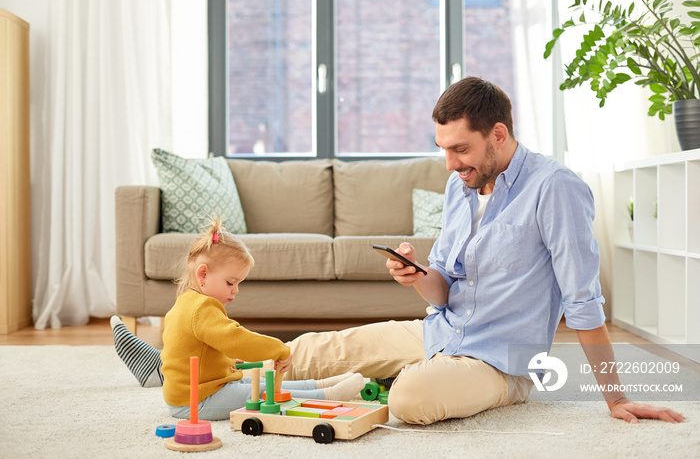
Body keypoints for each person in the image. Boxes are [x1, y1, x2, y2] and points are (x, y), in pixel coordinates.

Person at [114, 77, 684, 426]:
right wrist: (417, 277)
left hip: (499, 362)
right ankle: (181, 373)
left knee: (411, 400)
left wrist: (615, 400)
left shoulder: (556, 189)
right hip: (440, 333)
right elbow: (445, 286)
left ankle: (422, 381)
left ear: (500, 136)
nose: (450, 164)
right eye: (442, 150)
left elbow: (584, 302)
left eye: (460, 149)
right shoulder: (461, 188)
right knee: (316, 350)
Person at [111, 218, 363, 421]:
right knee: (264, 393)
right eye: (230, 282)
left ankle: (316, 385)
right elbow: (235, 337)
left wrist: (229, 360)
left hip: (201, 390)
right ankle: (324, 395)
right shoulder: (203, 308)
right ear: (203, 275)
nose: (236, 290)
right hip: (197, 401)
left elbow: (204, 347)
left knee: (258, 381)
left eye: (238, 283)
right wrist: (278, 348)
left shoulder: (185, 303)